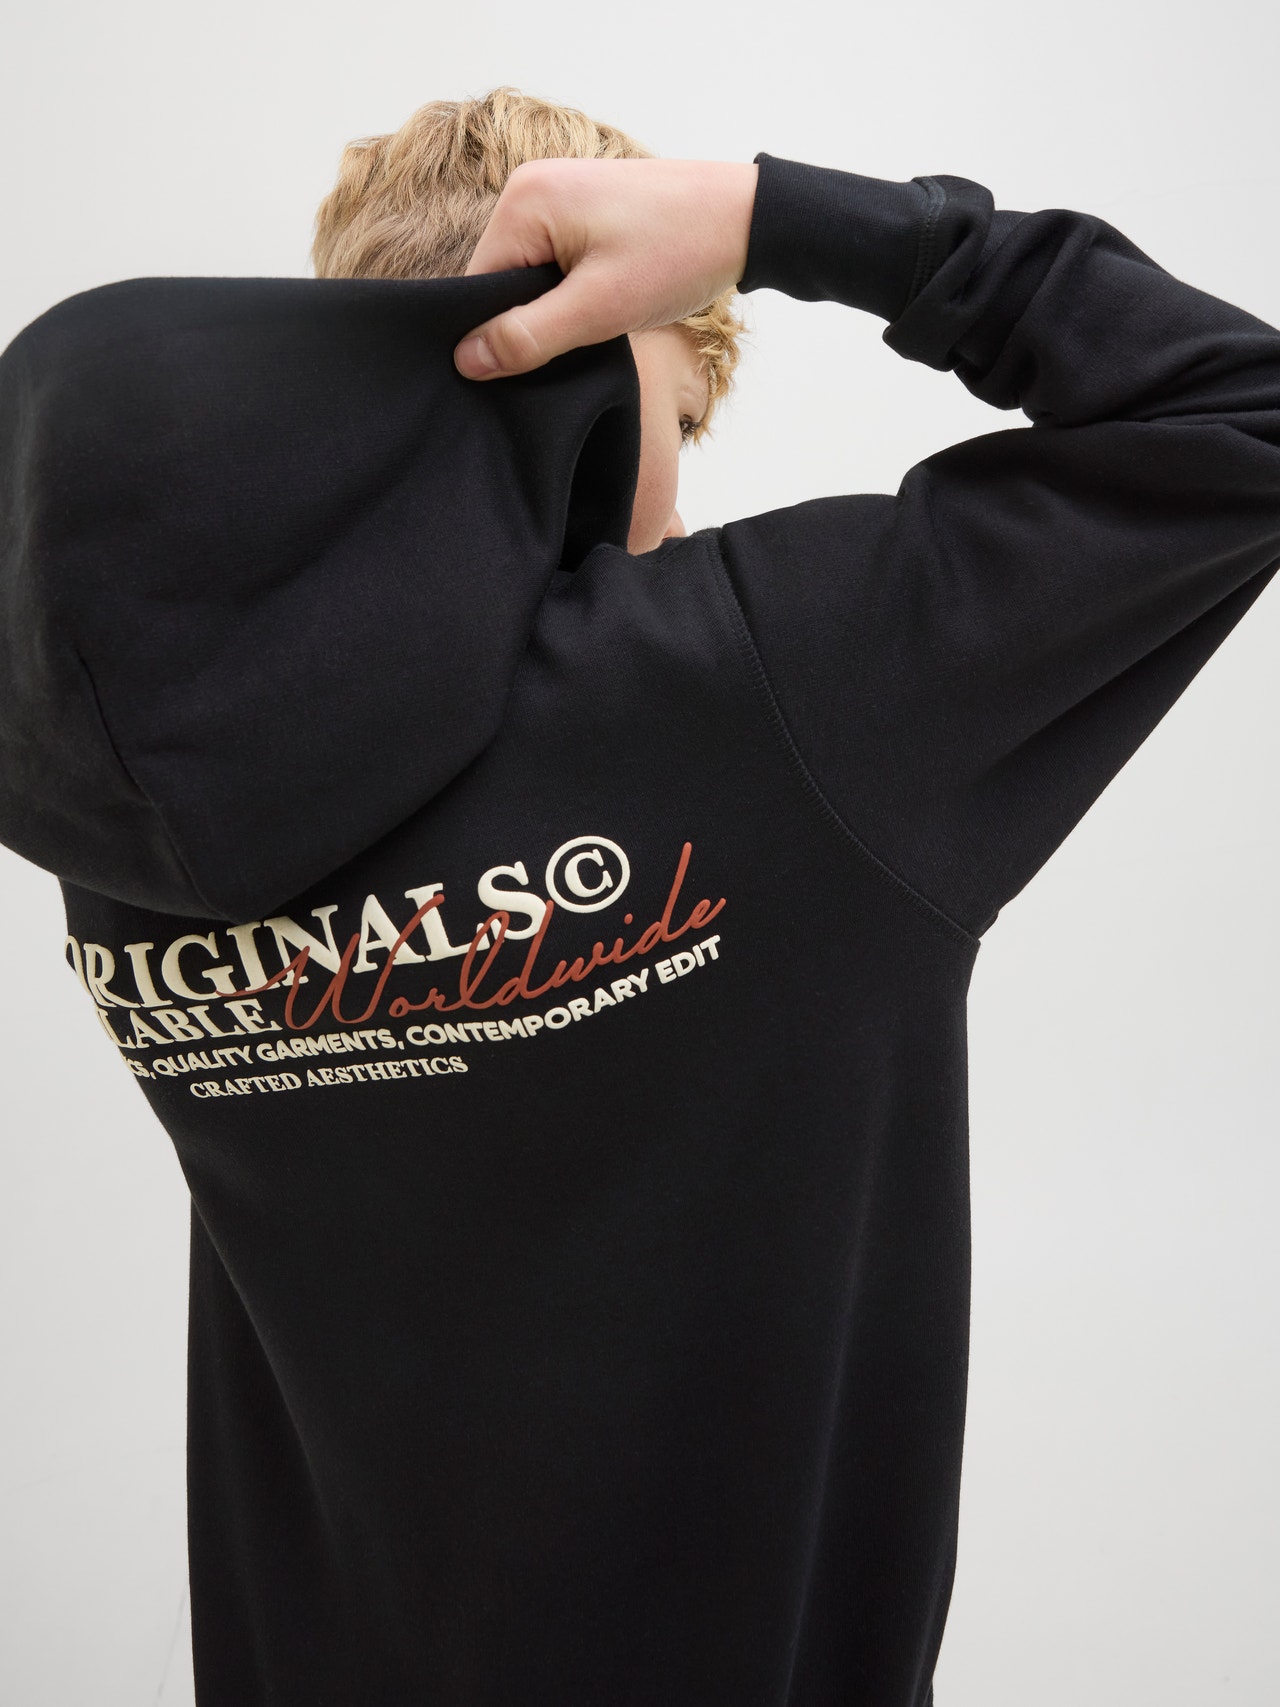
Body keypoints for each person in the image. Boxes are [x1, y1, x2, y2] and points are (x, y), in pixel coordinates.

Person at [0, 84, 1276, 1707]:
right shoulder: (766, 698)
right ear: (568, 376)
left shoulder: (127, 817)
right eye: (667, 419)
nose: (667, 508)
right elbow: (1246, 416)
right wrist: (772, 218)